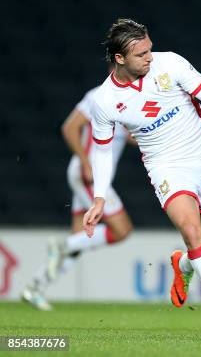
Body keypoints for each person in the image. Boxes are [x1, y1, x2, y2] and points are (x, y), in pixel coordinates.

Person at [82, 19, 201, 337]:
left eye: (149, 48)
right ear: (119, 58)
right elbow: (100, 151)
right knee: (190, 229)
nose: (149, 57)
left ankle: (183, 264)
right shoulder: (103, 101)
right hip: (165, 167)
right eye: (141, 54)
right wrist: (100, 197)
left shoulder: (170, 62)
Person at [22, 75, 134, 311]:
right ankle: (61, 244)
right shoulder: (98, 96)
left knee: (80, 240)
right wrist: (85, 163)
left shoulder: (131, 100)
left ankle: (35, 287)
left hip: (93, 178)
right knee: (121, 230)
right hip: (89, 176)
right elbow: (70, 126)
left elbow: (132, 136)